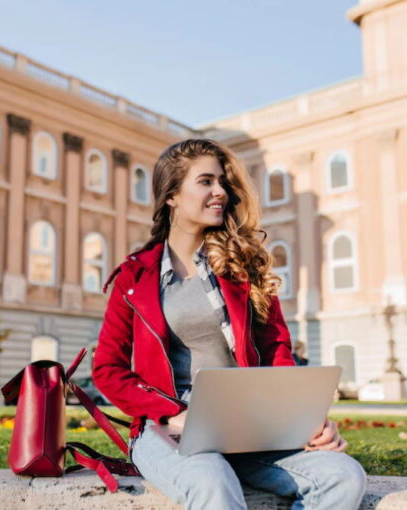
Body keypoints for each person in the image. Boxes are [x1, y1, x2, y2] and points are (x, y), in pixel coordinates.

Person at [93, 139, 366, 510]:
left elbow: (275, 350)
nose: (220, 191)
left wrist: (304, 422)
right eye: (206, 181)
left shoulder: (244, 267)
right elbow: (108, 370)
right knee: (211, 481)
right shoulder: (134, 277)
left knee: (343, 475)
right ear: (172, 195)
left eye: (222, 181)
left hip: (248, 425)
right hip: (168, 425)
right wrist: (174, 413)